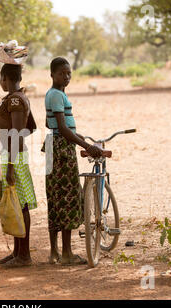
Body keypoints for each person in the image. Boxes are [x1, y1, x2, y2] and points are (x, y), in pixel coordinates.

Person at [43, 57, 104, 265]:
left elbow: (49, 122)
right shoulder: (57, 95)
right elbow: (63, 128)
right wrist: (86, 145)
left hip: (52, 146)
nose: (66, 77)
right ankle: (67, 253)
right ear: (52, 74)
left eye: (69, 73)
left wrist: (76, 136)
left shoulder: (51, 94)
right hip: (62, 149)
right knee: (68, 196)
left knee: (55, 197)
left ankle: (53, 252)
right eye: (62, 73)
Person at [0, 63, 37, 268]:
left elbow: (17, 134)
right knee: (16, 203)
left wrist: (11, 164)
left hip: (15, 157)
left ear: (5, 78)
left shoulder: (15, 99)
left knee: (21, 205)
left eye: (0, 78)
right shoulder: (19, 97)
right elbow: (28, 128)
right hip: (12, 154)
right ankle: (17, 252)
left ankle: (24, 255)